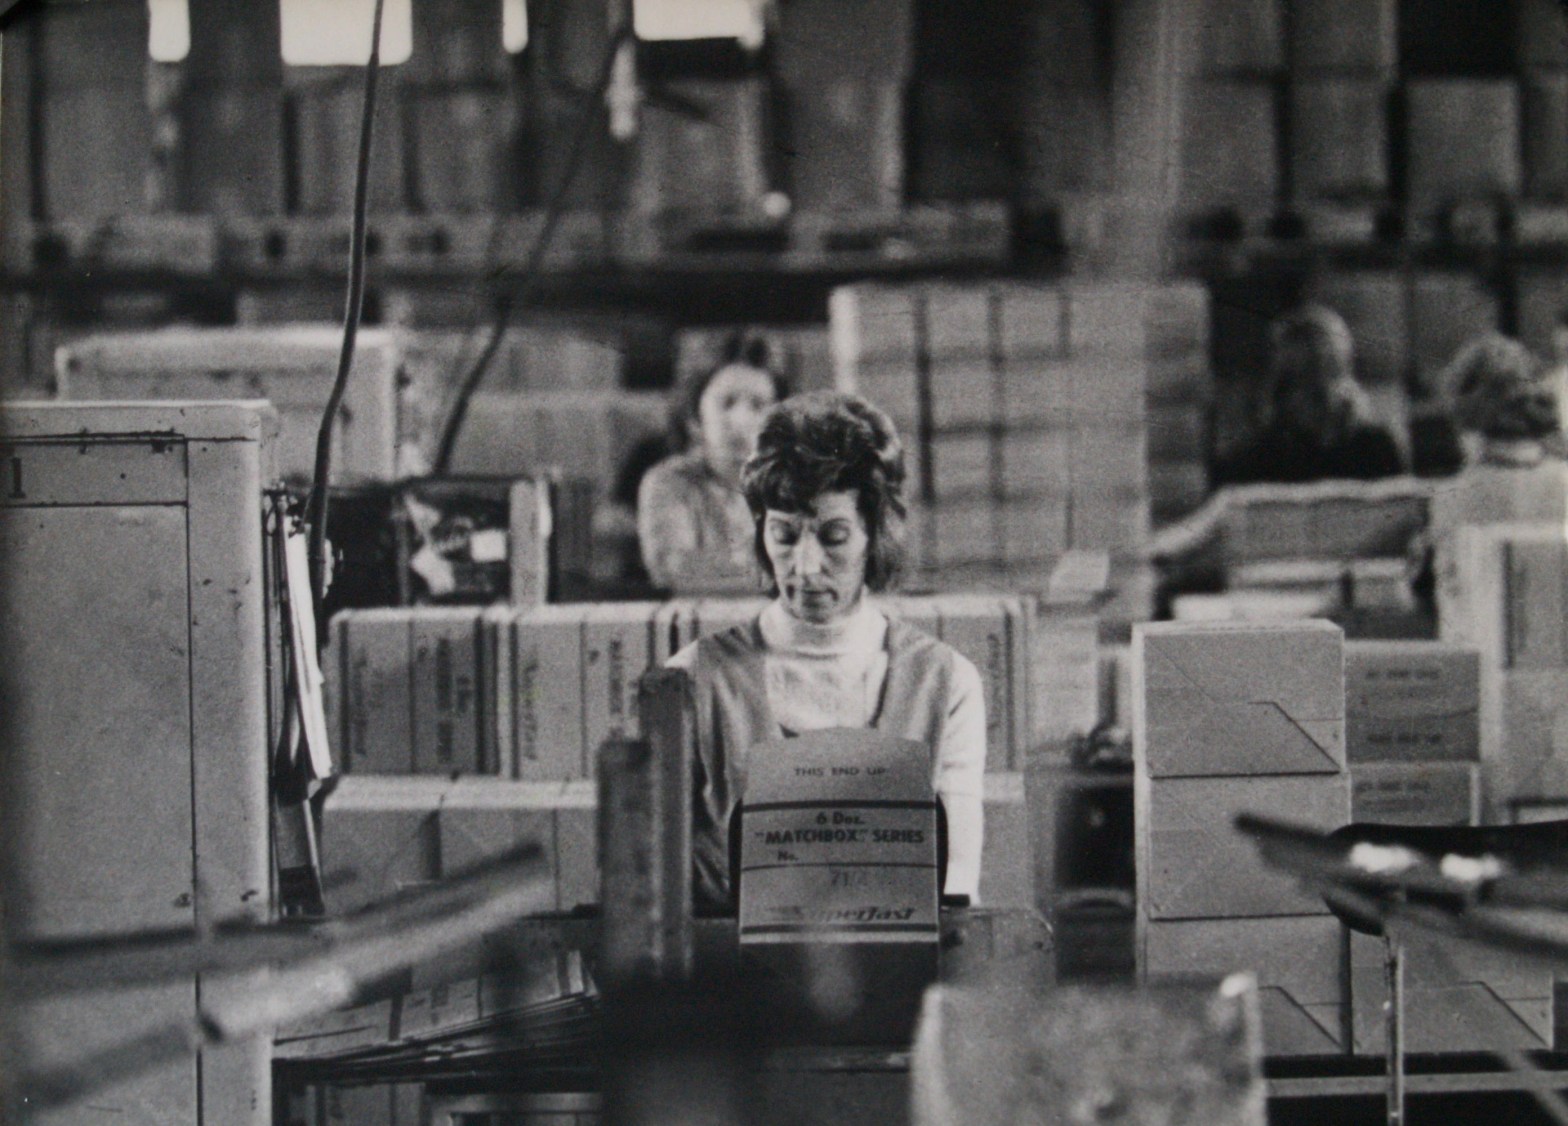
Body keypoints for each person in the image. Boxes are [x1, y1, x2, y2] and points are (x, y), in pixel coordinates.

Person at [667, 391, 987, 911]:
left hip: (901, 981)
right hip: (732, 983)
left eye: (834, 536)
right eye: (785, 535)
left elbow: (957, 892)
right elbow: (657, 896)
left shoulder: (946, 684)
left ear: (876, 535)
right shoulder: (691, 681)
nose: (806, 565)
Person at [637, 334, 789, 593]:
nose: (740, 421)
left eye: (758, 405)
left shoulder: (797, 484)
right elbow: (672, 569)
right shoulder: (669, 482)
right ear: (695, 417)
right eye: (726, 403)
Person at [1213, 304, 1405, 487]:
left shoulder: (1378, 448)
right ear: (1284, 392)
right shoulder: (1257, 459)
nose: (1324, 395)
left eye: (1328, 374)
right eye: (1305, 380)